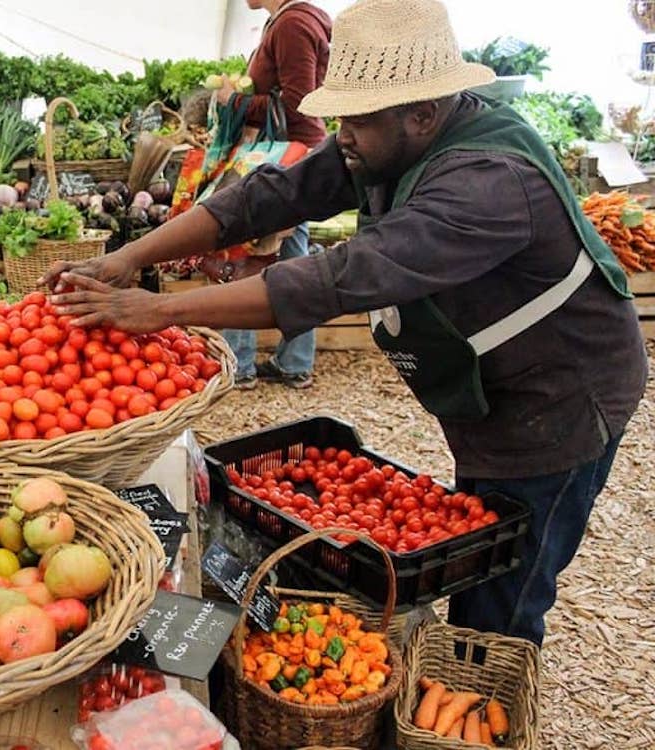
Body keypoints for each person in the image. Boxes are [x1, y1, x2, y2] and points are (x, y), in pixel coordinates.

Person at [46, 0, 648, 647]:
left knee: (503, 593)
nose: (342, 133)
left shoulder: (487, 182)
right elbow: (267, 198)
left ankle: (486, 693)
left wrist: (157, 310)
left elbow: (341, 277)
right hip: (497, 385)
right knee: (478, 540)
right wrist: (128, 259)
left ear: (423, 113)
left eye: (356, 118)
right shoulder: (388, 140)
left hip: (558, 399)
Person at [218, 0, 331, 390]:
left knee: (245, 246)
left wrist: (235, 100)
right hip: (294, 154)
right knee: (294, 255)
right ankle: (294, 362)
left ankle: (238, 363)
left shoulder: (293, 24)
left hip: (282, 155)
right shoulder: (290, 20)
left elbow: (299, 101)